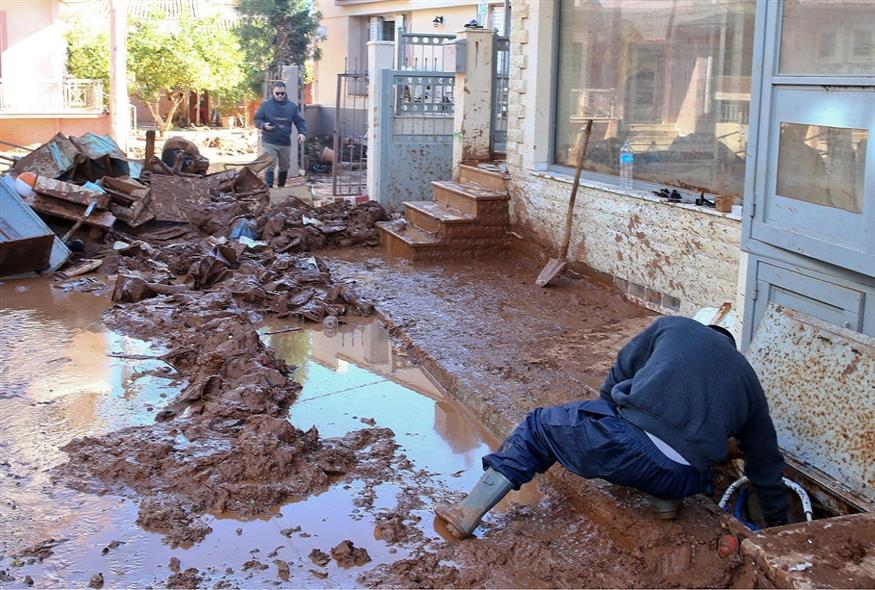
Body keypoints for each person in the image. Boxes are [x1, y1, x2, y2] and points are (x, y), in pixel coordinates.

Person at [435, 316, 789, 538]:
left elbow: (623, 367)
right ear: (730, 347)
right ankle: (665, 508)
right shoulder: (750, 382)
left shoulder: (676, 327)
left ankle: (467, 513)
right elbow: (766, 462)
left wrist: (603, 414)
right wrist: (777, 526)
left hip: (624, 444)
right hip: (683, 478)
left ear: (704, 328)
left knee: (537, 427)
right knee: (667, 456)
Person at [254, 81, 307, 187]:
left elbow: (300, 121)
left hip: (284, 142)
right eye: (277, 93)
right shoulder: (266, 105)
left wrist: (302, 133)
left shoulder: (291, 107)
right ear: (273, 92)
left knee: (284, 166)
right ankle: (269, 188)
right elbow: (257, 119)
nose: (280, 96)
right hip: (269, 140)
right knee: (270, 164)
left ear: (285, 92)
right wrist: (263, 125)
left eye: (282, 93)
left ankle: (281, 188)